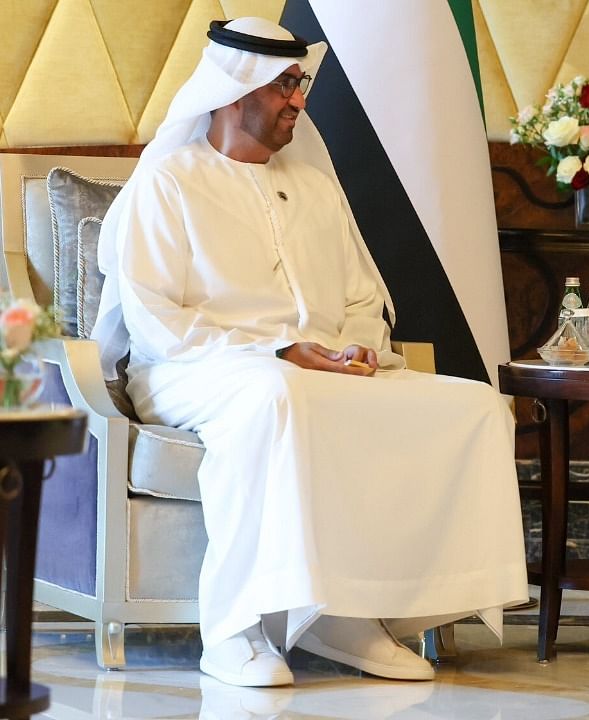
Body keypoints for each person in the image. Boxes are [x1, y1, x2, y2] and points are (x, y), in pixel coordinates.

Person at [91, 17, 528, 688]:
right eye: (284, 86)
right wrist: (281, 351)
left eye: (300, 83)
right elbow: (155, 321)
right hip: (194, 367)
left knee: (474, 407)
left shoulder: (317, 187)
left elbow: (361, 297)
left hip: (316, 369)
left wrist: (354, 347)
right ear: (235, 91)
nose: (299, 100)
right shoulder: (169, 183)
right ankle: (233, 629)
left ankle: (356, 614)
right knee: (275, 395)